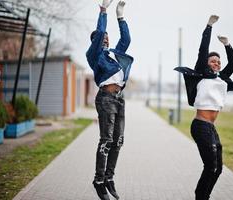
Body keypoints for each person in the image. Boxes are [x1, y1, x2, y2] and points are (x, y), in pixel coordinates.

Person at [175, 15, 233, 200]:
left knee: (218, 168)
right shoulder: (201, 75)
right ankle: (200, 197)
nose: (216, 63)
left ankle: (204, 197)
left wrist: (227, 45)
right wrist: (209, 27)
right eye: (213, 61)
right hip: (200, 126)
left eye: (218, 61)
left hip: (211, 127)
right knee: (210, 166)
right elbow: (203, 50)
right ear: (206, 64)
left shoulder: (222, 78)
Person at [86, 0, 133, 199]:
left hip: (119, 98)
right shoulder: (94, 55)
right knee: (106, 139)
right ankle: (98, 180)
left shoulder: (114, 55)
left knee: (118, 140)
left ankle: (109, 178)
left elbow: (126, 39)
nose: (105, 39)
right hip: (105, 98)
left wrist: (120, 16)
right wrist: (104, 11)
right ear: (95, 41)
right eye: (101, 37)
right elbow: (99, 31)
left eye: (106, 37)